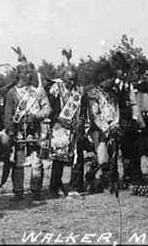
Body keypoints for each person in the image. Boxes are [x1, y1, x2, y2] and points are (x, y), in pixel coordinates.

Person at [4, 51, 52, 201]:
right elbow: (8, 114)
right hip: (19, 132)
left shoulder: (38, 92)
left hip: (36, 131)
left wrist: (36, 116)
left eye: (29, 73)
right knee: (18, 163)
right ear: (18, 74)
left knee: (37, 162)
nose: (27, 76)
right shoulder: (11, 93)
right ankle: (18, 191)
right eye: (24, 73)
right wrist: (10, 130)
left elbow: (48, 109)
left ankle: (36, 189)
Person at [100, 52, 140, 188]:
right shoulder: (109, 85)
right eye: (121, 70)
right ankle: (112, 179)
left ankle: (128, 177)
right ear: (116, 70)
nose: (124, 73)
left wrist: (135, 119)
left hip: (127, 122)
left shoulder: (129, 86)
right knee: (113, 151)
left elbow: (134, 103)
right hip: (113, 122)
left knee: (128, 151)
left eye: (125, 71)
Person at [48, 65, 89, 197]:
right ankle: (56, 187)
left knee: (78, 158)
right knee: (58, 158)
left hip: (76, 128)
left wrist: (81, 121)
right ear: (63, 78)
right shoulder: (55, 90)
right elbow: (51, 110)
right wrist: (60, 120)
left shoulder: (80, 90)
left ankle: (75, 187)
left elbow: (84, 110)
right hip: (60, 127)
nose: (72, 82)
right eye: (70, 79)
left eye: (74, 79)